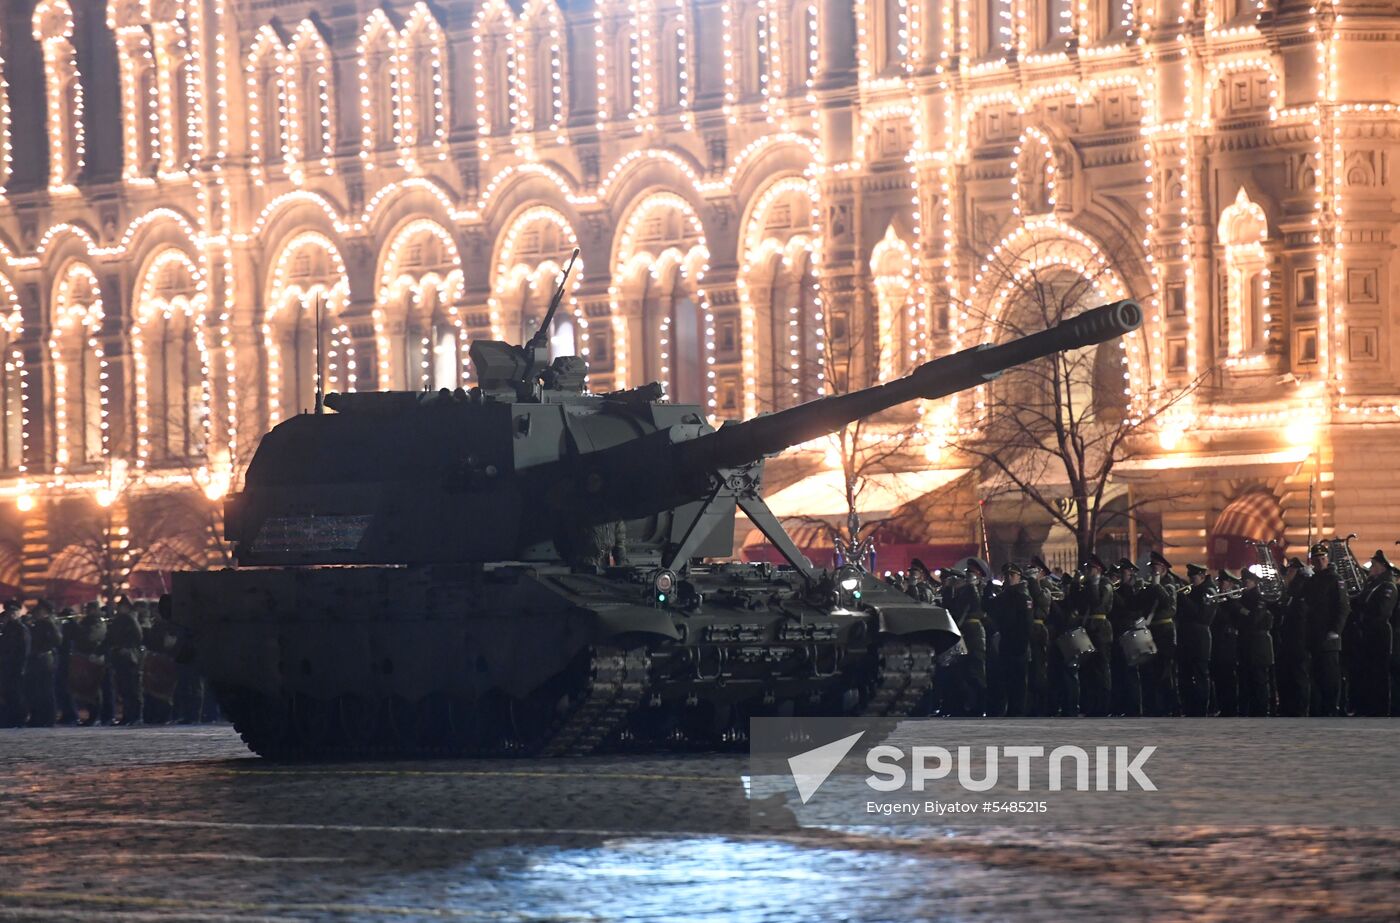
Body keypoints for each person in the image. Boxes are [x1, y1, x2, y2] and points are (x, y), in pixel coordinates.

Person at [1303, 542, 1349, 716]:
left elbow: (1343, 607)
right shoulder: (1312, 580)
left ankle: (1331, 710)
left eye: (1322, 559)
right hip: (1314, 636)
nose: (1319, 563)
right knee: (1316, 678)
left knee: (1330, 679)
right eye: (1316, 560)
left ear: (1327, 559)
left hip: (1329, 638)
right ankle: (1319, 712)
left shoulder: (1335, 579)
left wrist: (1335, 630)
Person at [1355, 550, 1397, 717]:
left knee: (1379, 674)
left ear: (1382, 567)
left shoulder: (1388, 586)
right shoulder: (1373, 585)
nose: (1371, 568)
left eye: (1374, 565)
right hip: (1368, 635)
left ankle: (1380, 709)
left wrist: (1364, 614)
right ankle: (1368, 707)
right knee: (1369, 673)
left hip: (1379, 636)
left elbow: (1382, 612)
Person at [1073, 555, 1114, 717]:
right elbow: (1075, 603)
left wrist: (1094, 584)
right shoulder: (1087, 584)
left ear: (1098, 570)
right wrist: (1075, 585)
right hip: (1087, 628)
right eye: (1086, 568)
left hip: (1100, 629)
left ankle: (1103, 707)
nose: (1087, 571)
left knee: (1101, 669)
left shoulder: (1104, 584)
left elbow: (1097, 604)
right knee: (1087, 670)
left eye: (1090, 569)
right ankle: (1089, 705)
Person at [993, 563, 1033, 717]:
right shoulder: (1001, 598)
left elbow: (1027, 625)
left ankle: (1018, 711)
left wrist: (1023, 646)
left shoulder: (1024, 598)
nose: (1009, 578)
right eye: (1007, 575)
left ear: (1019, 577)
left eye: (1012, 575)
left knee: (1019, 681)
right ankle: (1009, 709)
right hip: (1005, 643)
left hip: (1019, 644)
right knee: (1006, 679)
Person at [1143, 551, 1181, 716]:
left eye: (1156, 567)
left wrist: (1157, 585)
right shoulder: (1151, 585)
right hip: (1152, 631)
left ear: (1164, 568)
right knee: (1152, 671)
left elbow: (1168, 605)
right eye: (1152, 567)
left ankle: (1171, 706)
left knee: (1165, 671)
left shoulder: (1169, 584)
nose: (1152, 570)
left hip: (1165, 631)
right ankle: (1156, 707)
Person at [1175, 563, 1215, 716]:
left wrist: (1183, 599)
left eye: (1194, 577)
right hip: (1186, 638)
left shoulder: (1208, 591)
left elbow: (1202, 615)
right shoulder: (1193, 590)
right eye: (1190, 577)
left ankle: (1201, 710)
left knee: (1200, 675)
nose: (1191, 580)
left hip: (1199, 639)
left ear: (1202, 576)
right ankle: (1188, 708)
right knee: (1184, 675)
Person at [1274, 558, 1310, 716]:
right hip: (1287, 640)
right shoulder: (1289, 590)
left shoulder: (1301, 590)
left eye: (1291, 570)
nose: (1287, 573)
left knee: (1297, 676)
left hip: (1298, 640)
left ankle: (1299, 710)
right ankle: (1287, 707)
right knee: (1285, 676)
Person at [1239, 569, 1275, 716]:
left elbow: (1254, 618)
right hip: (1246, 644)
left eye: (1247, 581)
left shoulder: (1260, 597)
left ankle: (1261, 710)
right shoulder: (1244, 596)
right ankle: (1250, 710)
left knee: (1259, 680)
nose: (1244, 583)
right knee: (1247, 680)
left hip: (1259, 645)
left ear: (1254, 582)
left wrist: (1238, 608)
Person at [105, 597, 145, 725]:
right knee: (123, 689)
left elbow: (138, 637)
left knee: (133, 688)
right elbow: (110, 638)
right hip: (119, 657)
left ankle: (136, 716)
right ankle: (127, 716)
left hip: (129, 657)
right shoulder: (119, 620)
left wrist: (126, 647)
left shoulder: (130, 619)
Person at [23, 600, 63, 727]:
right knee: (35, 690)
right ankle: (37, 717)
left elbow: (57, 640)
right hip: (35, 660)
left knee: (46, 691)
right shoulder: (38, 624)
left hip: (45, 660)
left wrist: (44, 649)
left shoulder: (50, 623)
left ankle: (48, 718)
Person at [1211, 569, 1243, 717]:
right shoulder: (1218, 599)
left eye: (1224, 581)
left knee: (1228, 677)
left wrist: (1230, 599)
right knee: (1218, 676)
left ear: (1231, 583)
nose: (1221, 584)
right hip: (1217, 642)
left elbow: (1236, 618)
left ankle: (1230, 708)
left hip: (1229, 642)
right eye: (1220, 581)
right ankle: (1222, 707)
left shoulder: (1235, 600)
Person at [70, 602, 108, 725]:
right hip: (84, 658)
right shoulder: (86, 622)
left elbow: (90, 637)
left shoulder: (98, 622)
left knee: (94, 689)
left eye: (91, 609)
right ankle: (91, 716)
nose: (88, 612)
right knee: (85, 689)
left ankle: (95, 716)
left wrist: (76, 627)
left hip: (94, 658)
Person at [1024, 557, 1053, 716]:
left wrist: (1033, 581)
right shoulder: (1028, 585)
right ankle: (1029, 705)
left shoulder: (1045, 587)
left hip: (1038, 629)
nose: (1032, 572)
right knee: (1028, 670)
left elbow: (1040, 599)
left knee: (1038, 669)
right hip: (1026, 630)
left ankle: (1041, 706)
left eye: (1035, 569)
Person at [0, 600, 30, 727]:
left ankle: (19, 718)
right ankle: (9, 718)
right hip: (5, 665)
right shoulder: (6, 628)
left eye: (14, 611)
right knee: (7, 693)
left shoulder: (20, 628)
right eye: (9, 612)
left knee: (16, 693)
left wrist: (22, 667)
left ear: (18, 612)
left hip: (16, 665)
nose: (11, 614)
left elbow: (24, 650)